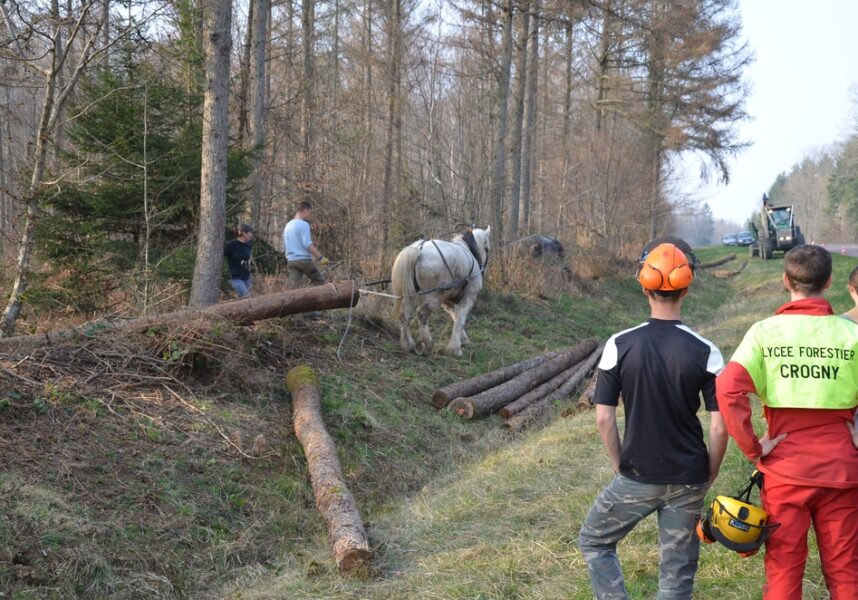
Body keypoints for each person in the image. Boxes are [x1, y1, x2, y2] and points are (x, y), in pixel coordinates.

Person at [578, 241, 728, 600]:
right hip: (689, 476)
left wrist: (621, 465)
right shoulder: (707, 351)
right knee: (676, 578)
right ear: (686, 289)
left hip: (637, 474)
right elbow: (721, 426)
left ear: (644, 287)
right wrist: (710, 471)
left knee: (595, 540)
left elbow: (603, 417)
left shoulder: (619, 344)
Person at [716, 244, 858, 600]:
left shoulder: (765, 333)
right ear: (830, 282)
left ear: (785, 281)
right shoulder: (851, 334)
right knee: (846, 571)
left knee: (783, 569)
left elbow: (728, 387)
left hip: (784, 472)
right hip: (843, 471)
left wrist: (753, 448)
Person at [282, 201, 328, 289]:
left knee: (292, 289)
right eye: (310, 212)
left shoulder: (287, 225)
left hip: (291, 262)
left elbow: (284, 245)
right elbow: (307, 244)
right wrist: (321, 258)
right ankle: (318, 302)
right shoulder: (304, 225)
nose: (309, 215)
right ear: (305, 210)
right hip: (304, 261)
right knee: (319, 282)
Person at [223, 224, 254, 298]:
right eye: (250, 233)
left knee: (246, 301)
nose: (251, 235)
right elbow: (223, 258)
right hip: (235, 278)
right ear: (244, 233)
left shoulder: (248, 245)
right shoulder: (231, 245)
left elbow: (248, 260)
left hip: (247, 277)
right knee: (246, 297)